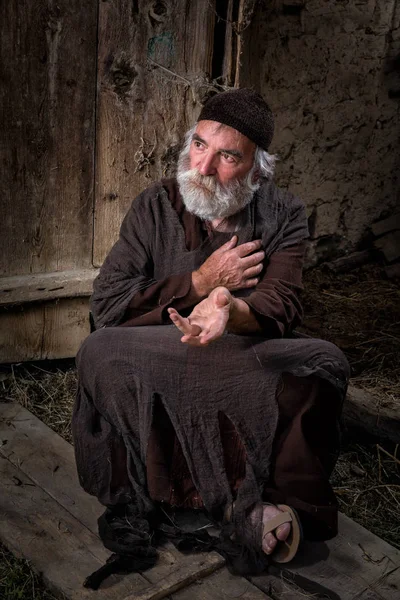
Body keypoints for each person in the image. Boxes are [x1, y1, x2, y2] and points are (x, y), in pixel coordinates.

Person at [73, 88, 350, 583]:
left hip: (240, 355)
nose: (203, 167)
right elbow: (108, 303)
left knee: (321, 363)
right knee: (99, 349)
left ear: (258, 170)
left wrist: (228, 308)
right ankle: (145, 499)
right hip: (162, 351)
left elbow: (281, 303)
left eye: (227, 156)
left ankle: (257, 500)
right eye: (199, 145)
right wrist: (201, 283)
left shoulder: (283, 213)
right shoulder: (154, 205)